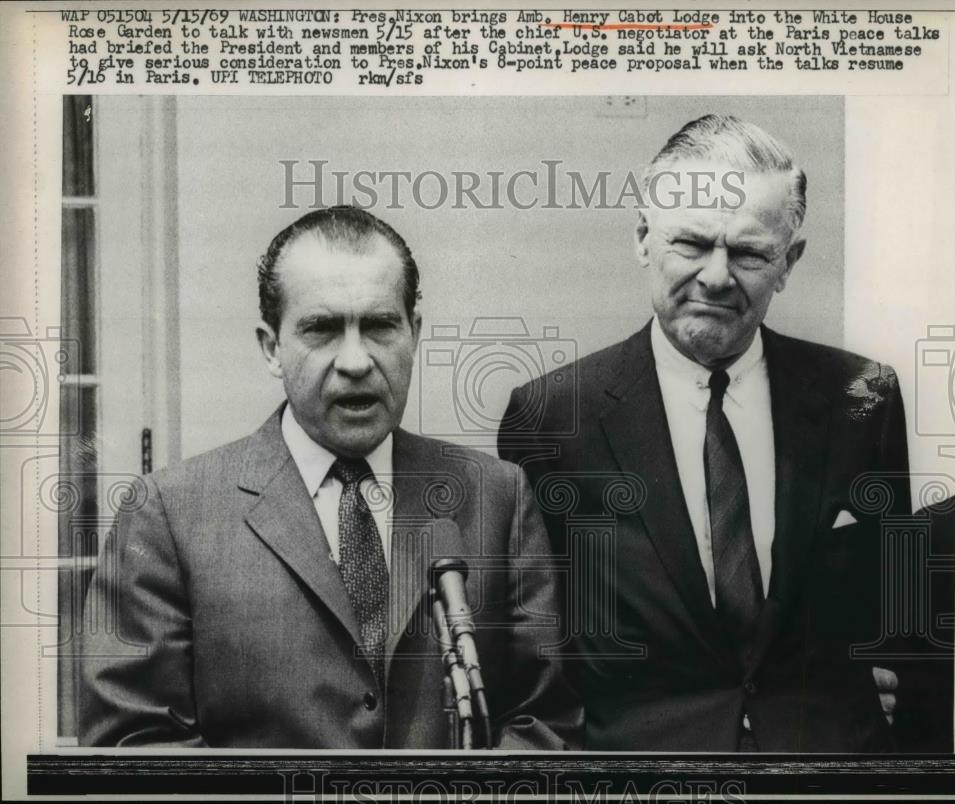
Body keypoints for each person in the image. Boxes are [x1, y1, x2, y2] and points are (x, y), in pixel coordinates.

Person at [80, 206, 581, 749]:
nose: (356, 360)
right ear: (271, 347)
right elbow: (135, 746)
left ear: (414, 333)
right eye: (322, 329)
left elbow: (544, 722)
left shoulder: (495, 496)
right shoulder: (170, 515)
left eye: (380, 326)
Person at [498, 115, 912, 752]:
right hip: (641, 780)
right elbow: (537, 654)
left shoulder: (863, 397)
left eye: (749, 253)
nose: (717, 277)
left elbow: (902, 617)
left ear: (789, 261)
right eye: (692, 243)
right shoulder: (552, 417)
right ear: (643, 237)